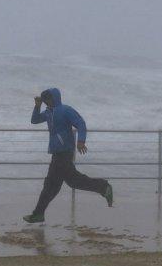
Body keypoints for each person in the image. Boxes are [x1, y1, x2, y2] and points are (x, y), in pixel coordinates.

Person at [23, 88, 113, 223]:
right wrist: (37, 106)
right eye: (45, 100)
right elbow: (34, 120)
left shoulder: (65, 110)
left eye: (48, 99)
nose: (47, 102)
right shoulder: (48, 113)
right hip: (56, 153)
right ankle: (38, 214)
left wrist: (81, 141)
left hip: (65, 152)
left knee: (68, 181)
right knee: (51, 185)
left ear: (54, 98)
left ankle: (104, 187)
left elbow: (81, 123)